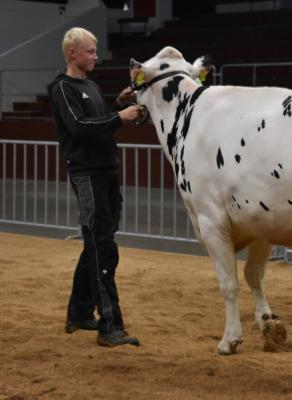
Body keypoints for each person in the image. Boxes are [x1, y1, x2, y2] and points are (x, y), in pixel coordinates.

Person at [47, 27, 142, 347]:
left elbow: (99, 120)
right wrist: (120, 117)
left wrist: (118, 104)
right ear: (72, 53)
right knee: (103, 247)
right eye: (90, 51)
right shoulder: (62, 88)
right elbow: (80, 127)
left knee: (97, 241)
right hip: (87, 174)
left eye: (95, 51)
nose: (95, 56)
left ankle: (78, 312)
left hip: (106, 171)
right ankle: (110, 326)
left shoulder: (91, 86)